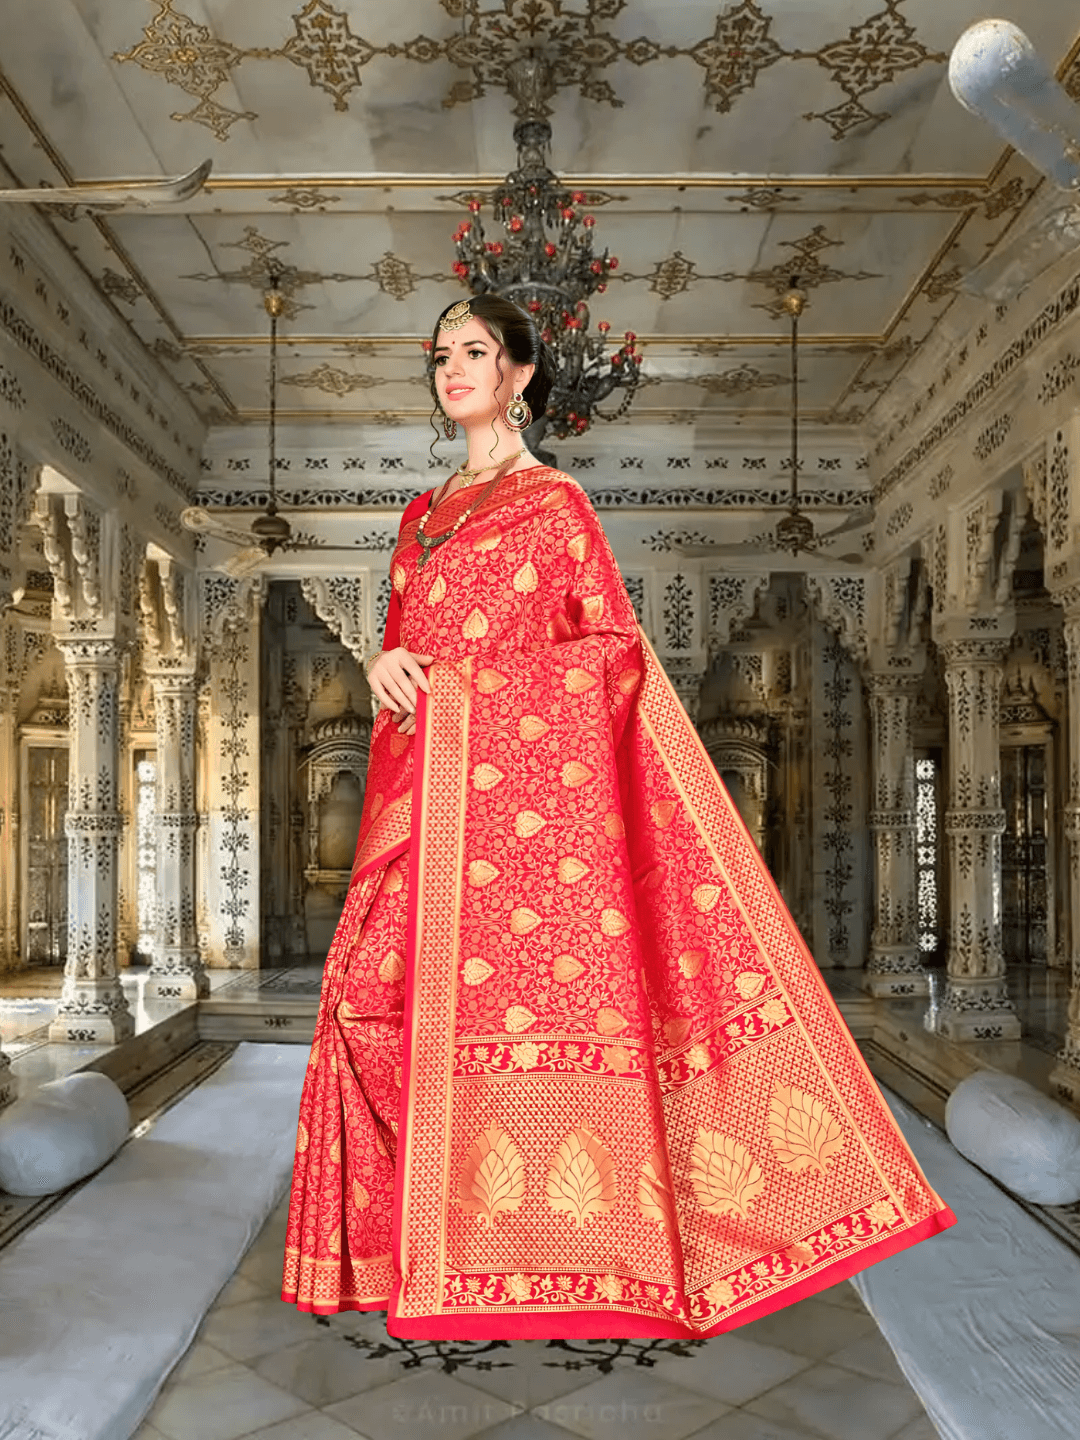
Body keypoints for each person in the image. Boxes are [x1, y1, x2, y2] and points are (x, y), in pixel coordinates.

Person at [282, 294, 955, 1339]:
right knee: (364, 1009)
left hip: (521, 830)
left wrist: (467, 694)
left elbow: (610, 661)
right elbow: (403, 649)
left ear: (519, 375)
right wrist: (387, 664)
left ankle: (556, 1256)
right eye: (440, 356)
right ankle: (399, 1250)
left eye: (474, 353)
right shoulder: (420, 517)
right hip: (421, 808)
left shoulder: (553, 508)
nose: (450, 370)